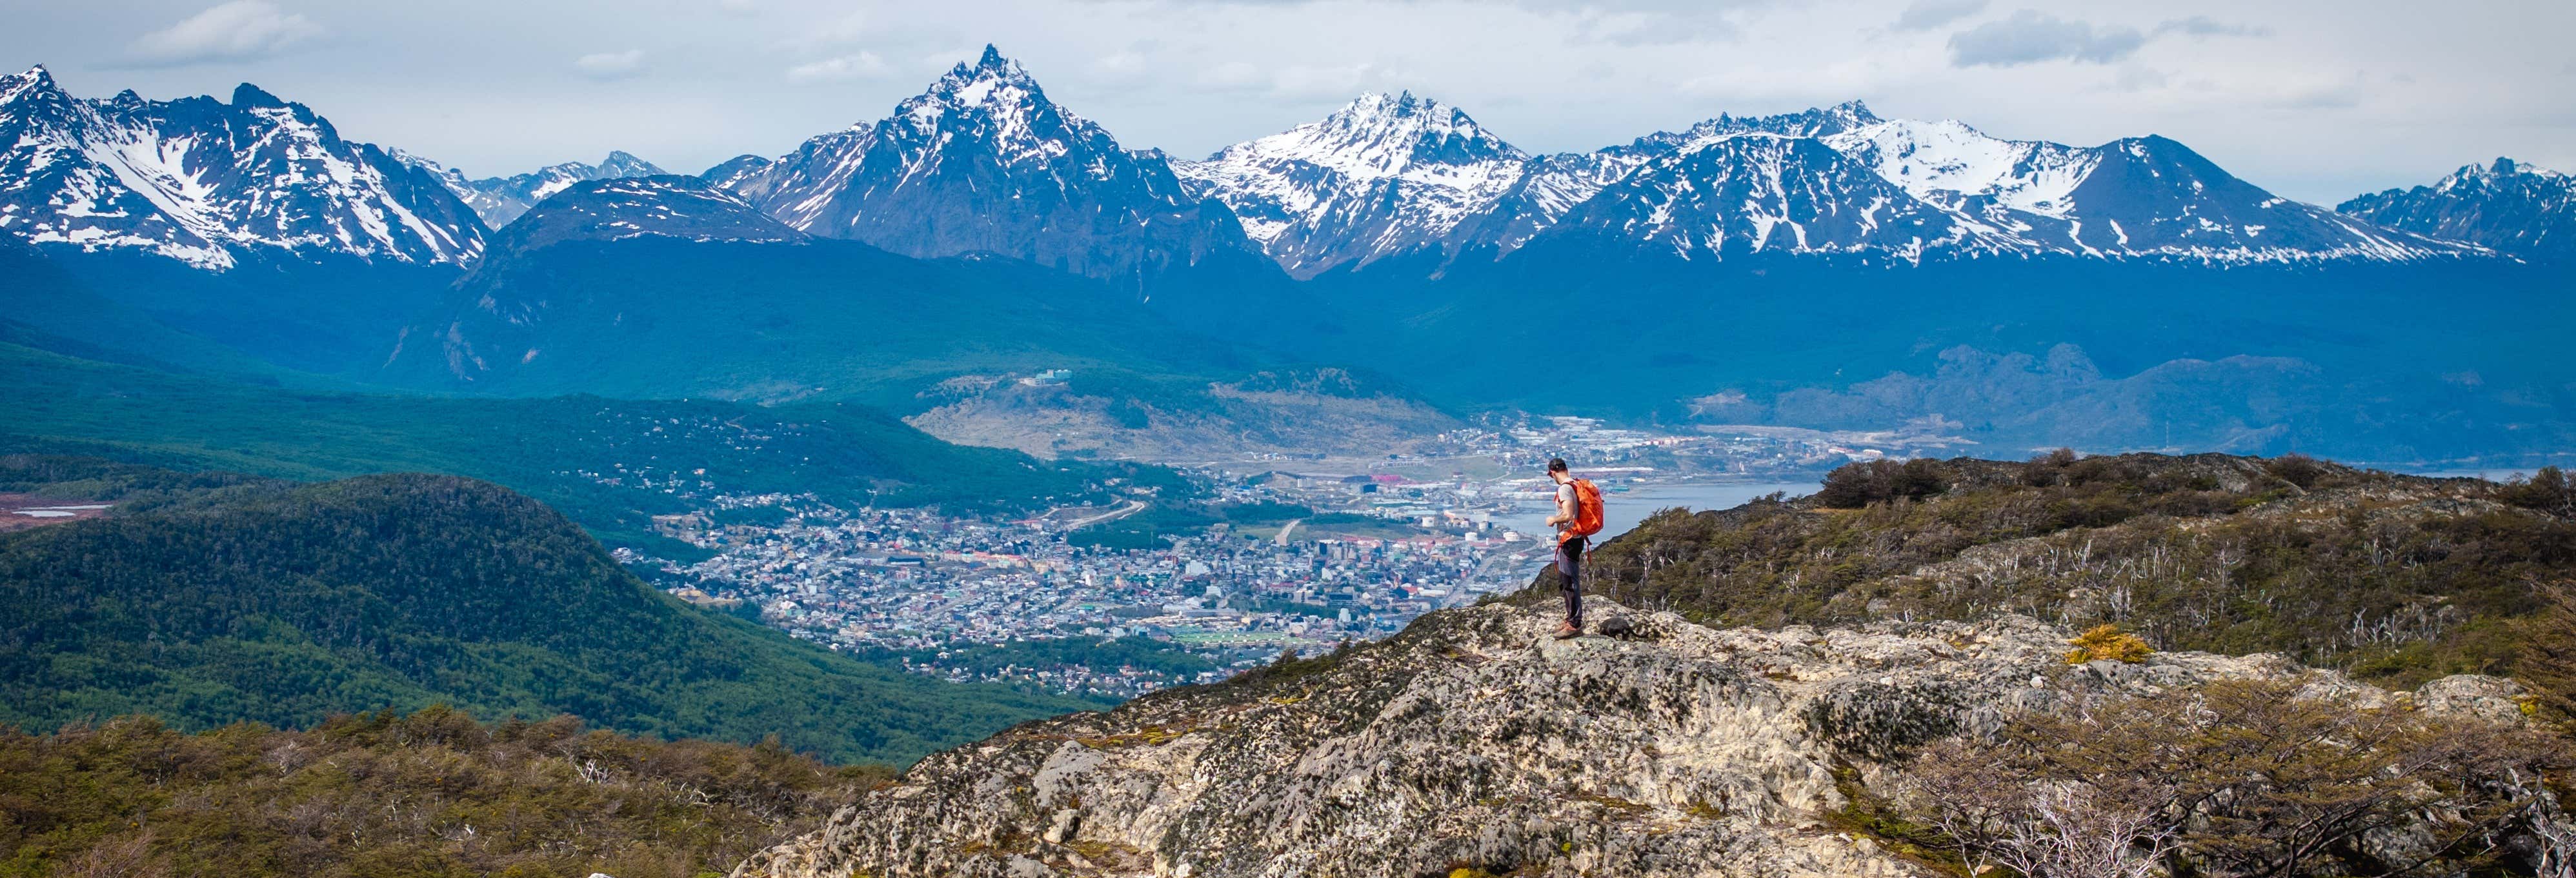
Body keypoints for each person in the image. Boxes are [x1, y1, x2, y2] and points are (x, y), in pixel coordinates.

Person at [1542, 457, 1598, 639]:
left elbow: (1568, 515)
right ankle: (1570, 619)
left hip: (1570, 539)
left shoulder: (1565, 488)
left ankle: (1574, 623)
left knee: (1569, 581)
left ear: (1552, 472)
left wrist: (1553, 519)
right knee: (1566, 580)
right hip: (1576, 538)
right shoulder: (1575, 484)